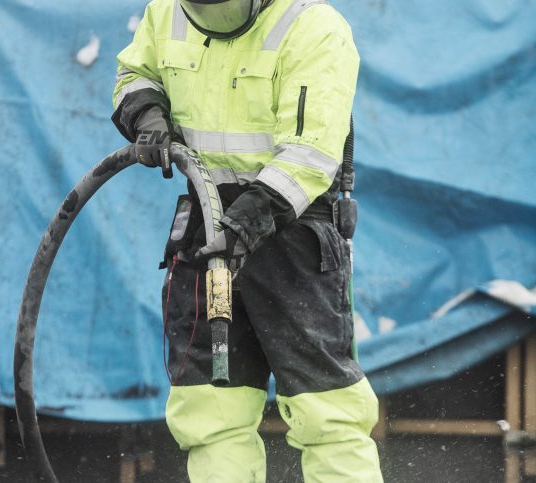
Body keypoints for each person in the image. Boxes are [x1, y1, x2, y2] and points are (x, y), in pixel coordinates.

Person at [111, 0, 383, 481]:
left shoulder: (312, 25)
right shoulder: (168, 11)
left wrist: (249, 221)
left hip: (290, 228)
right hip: (206, 226)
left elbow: (311, 151)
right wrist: (148, 115)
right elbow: (135, 74)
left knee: (327, 412)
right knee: (211, 409)